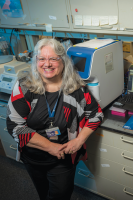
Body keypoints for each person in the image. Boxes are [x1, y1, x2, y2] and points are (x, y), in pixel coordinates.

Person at [6, 38, 103, 200]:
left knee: (60, 196)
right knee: (43, 194)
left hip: (64, 158)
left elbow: (96, 114)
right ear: (36, 61)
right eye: (42, 59)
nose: (47, 64)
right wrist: (50, 147)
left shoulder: (76, 88)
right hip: (33, 157)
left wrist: (79, 141)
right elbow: (14, 126)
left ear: (63, 61)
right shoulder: (24, 87)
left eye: (53, 59)